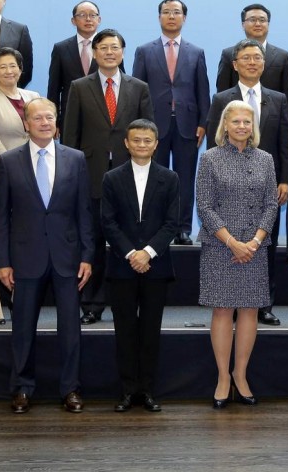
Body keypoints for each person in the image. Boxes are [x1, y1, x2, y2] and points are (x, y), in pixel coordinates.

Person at [0, 98, 93, 414]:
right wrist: (3, 261)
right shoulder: (9, 161)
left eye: (49, 117)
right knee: (22, 328)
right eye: (37, 118)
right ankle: (22, 388)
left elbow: (84, 212)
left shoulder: (75, 159)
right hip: (25, 258)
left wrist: (88, 256)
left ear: (56, 122)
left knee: (70, 329)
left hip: (67, 257)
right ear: (26, 123)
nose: (44, 122)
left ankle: (71, 389)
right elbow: (1, 217)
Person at [63, 28, 155, 325]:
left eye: (115, 47)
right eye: (103, 48)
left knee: (126, 242)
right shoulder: (79, 87)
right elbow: (70, 137)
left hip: (130, 178)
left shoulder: (139, 87)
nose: (109, 52)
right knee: (92, 242)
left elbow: (148, 132)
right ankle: (91, 303)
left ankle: (125, 302)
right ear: (95, 52)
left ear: (123, 52)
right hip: (90, 174)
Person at [196, 101, 278, 408]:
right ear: (225, 125)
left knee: (249, 310)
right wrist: (232, 242)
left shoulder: (266, 159)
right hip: (221, 247)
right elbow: (204, 206)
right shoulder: (209, 159)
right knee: (222, 309)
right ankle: (222, 378)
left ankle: (240, 375)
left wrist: (254, 242)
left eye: (247, 121)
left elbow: (272, 204)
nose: (242, 126)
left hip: (255, 248)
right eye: (236, 122)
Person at [207, 39, 288, 326]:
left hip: (265, 184)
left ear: (264, 63)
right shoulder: (222, 99)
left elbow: (285, 140)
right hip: (227, 185)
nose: (252, 62)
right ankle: (228, 302)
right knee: (227, 243)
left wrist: (285, 179)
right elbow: (212, 144)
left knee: (264, 242)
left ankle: (263, 304)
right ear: (235, 64)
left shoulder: (277, 98)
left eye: (257, 57)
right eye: (246, 58)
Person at [101, 118, 180, 413]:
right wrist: (131, 254)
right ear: (126, 143)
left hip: (156, 266)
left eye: (147, 141)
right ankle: (126, 390)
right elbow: (107, 222)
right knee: (124, 331)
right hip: (122, 266)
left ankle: (147, 390)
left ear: (156, 144)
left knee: (150, 331)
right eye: (136, 140)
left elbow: (172, 223)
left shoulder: (169, 178)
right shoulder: (112, 177)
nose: (142, 145)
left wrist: (147, 252)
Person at [131, 0, 210, 245]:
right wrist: (141, 125)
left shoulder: (196, 52)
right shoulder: (144, 51)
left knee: (185, 179)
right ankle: (155, 228)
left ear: (184, 18)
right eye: (166, 12)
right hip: (154, 126)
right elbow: (137, 89)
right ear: (159, 17)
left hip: (187, 125)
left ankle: (182, 228)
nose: (171, 16)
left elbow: (202, 91)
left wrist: (203, 124)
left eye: (176, 12)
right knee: (155, 178)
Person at [0, 47, 39, 324]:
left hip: (32, 176)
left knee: (25, 235)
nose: (9, 71)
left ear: (21, 70)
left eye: (13, 66)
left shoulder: (33, 97)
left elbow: (41, 131)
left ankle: (19, 296)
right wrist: (14, 168)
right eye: (2, 67)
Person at [215, 3, 288, 117]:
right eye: (252, 20)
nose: (258, 24)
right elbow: (222, 93)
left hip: (270, 122)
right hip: (237, 122)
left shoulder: (282, 56)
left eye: (262, 20)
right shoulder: (228, 54)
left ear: (268, 24)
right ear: (243, 24)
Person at [47, 0, 113, 129]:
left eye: (92, 15)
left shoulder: (110, 48)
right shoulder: (61, 48)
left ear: (99, 19)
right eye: (82, 15)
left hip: (104, 115)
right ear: (73, 21)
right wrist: (54, 120)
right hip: (70, 115)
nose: (88, 19)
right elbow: (54, 89)